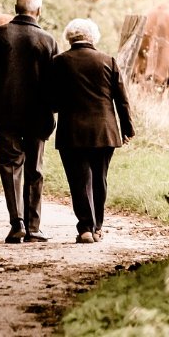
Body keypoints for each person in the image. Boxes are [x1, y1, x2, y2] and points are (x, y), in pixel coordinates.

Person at [0, 0, 59, 244]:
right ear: (39, 11)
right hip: (38, 117)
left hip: (5, 115)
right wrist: (53, 111)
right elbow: (55, 84)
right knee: (35, 169)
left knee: (11, 167)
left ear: (15, 8)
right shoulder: (47, 40)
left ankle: (17, 224)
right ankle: (34, 228)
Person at [52, 18, 134, 244]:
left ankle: (85, 228)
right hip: (105, 131)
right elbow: (122, 100)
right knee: (100, 178)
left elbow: (53, 101)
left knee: (79, 180)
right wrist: (127, 129)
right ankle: (97, 227)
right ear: (93, 37)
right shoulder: (108, 61)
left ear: (69, 37)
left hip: (72, 131)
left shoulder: (59, 62)